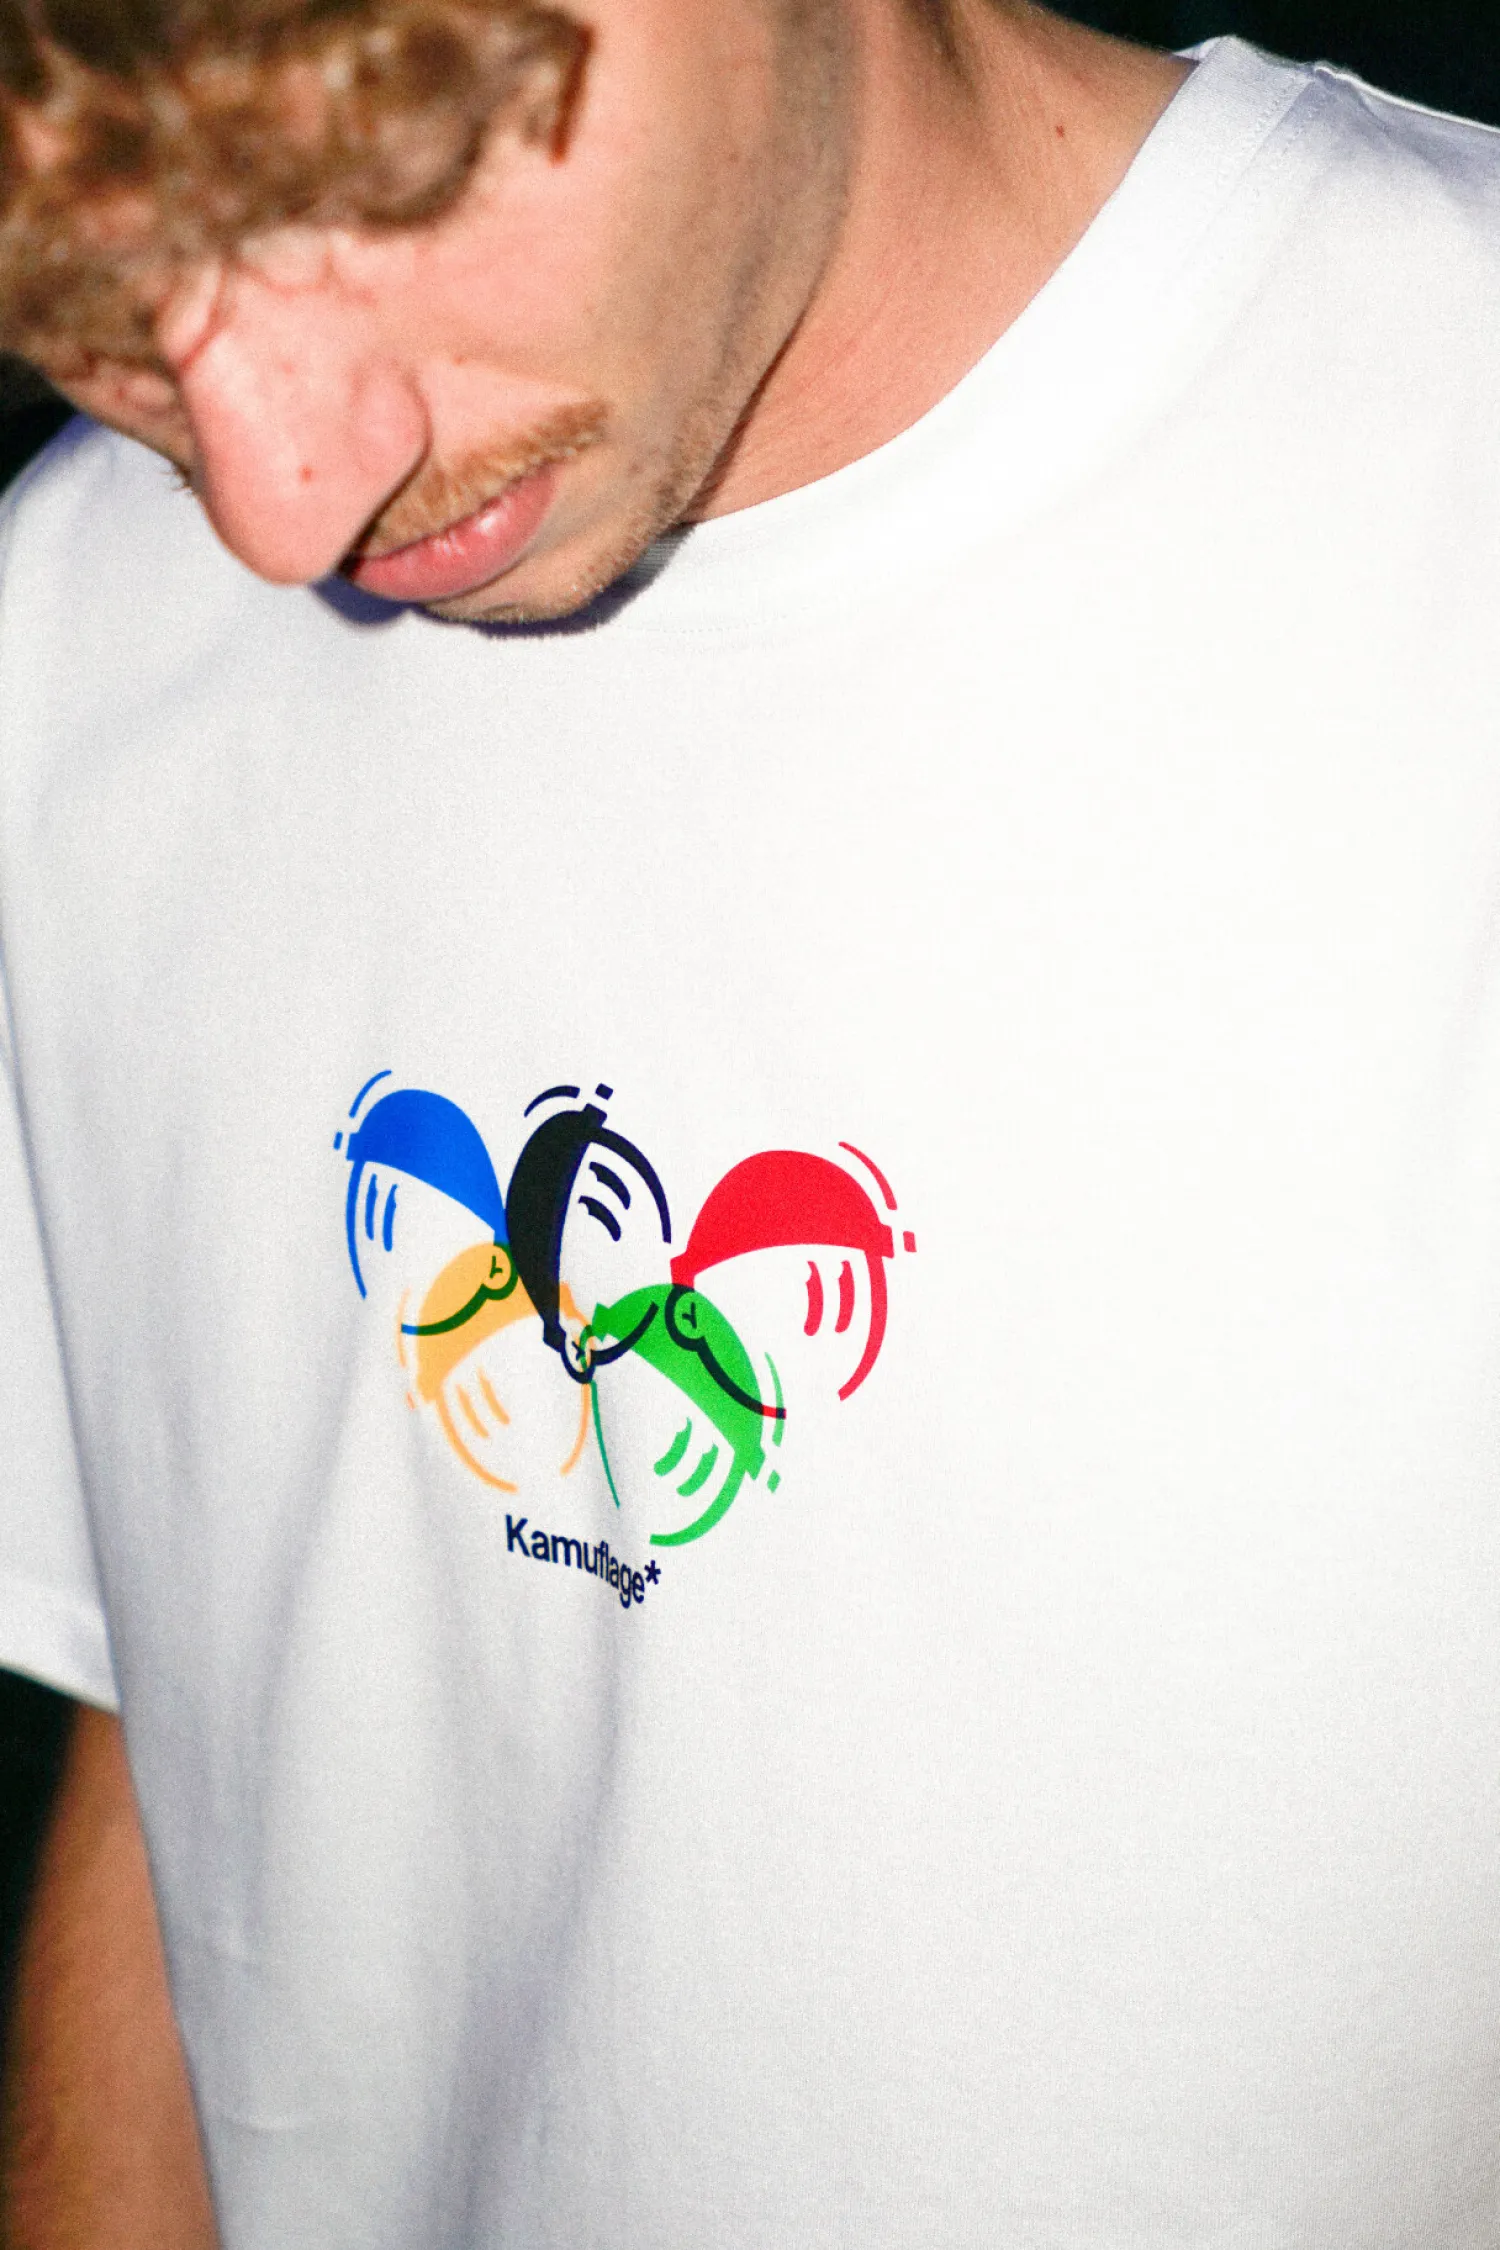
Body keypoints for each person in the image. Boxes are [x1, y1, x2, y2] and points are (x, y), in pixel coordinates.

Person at [1, 0, 1500, 2238]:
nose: (273, 489)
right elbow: (208, 1713)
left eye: (390, 172)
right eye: (94, 289)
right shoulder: (72, 617)